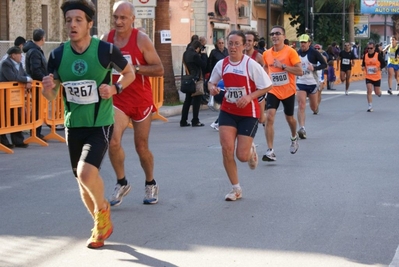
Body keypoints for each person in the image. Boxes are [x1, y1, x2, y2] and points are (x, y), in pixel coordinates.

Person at [41, 0, 135, 248]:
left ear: (90, 24)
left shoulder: (105, 50)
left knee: (86, 172)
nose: (72, 24)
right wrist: (47, 90)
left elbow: (130, 72)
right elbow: (52, 95)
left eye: (78, 20)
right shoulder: (59, 55)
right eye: (69, 20)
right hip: (73, 125)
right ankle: (99, 224)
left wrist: (114, 88)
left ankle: (102, 209)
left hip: (100, 123)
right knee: (80, 180)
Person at [102, 0, 164, 206]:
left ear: (132, 19)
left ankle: (150, 182)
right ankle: (122, 182)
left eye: (123, 18)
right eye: (116, 17)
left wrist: (134, 69)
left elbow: (159, 69)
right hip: (117, 99)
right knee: (113, 141)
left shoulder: (141, 39)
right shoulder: (106, 40)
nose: (118, 22)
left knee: (141, 146)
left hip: (140, 100)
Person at [208, 30, 272, 201]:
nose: (233, 47)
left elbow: (267, 86)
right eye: (230, 43)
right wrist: (212, 89)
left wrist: (250, 96)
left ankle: (250, 151)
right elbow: (211, 82)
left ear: (244, 46)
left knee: (242, 156)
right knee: (226, 149)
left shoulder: (250, 65)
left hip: (248, 113)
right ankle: (236, 188)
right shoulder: (222, 64)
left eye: (237, 44)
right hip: (228, 111)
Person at [262, 26, 303, 162]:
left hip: (288, 91)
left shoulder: (290, 52)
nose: (274, 36)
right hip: (273, 90)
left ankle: (293, 137)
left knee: (289, 118)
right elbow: (266, 68)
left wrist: (283, 66)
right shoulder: (266, 53)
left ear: (284, 37)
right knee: (270, 117)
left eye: (277, 34)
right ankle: (270, 150)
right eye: (272, 33)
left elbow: (300, 71)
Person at [296, 35, 327, 139]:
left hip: (312, 83)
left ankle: (316, 108)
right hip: (301, 82)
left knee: (313, 107)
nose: (303, 44)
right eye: (301, 42)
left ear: (309, 43)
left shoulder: (314, 53)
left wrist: (314, 67)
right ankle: (302, 128)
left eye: (305, 42)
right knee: (301, 105)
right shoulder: (297, 53)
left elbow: (324, 64)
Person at [0, 46, 32, 149]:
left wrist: (27, 80)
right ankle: (3, 141)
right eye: (19, 54)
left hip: (16, 96)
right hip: (4, 96)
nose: (21, 56)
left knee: (17, 117)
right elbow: (12, 77)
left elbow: (24, 74)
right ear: (13, 55)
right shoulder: (6, 64)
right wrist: (26, 79)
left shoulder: (19, 64)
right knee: (4, 118)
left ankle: (18, 140)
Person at [23, 28, 48, 140]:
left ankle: (37, 131)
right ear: (42, 38)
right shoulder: (34, 52)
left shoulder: (34, 50)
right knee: (37, 108)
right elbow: (36, 70)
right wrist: (45, 78)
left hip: (38, 83)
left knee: (38, 107)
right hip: (37, 84)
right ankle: (35, 132)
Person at [180, 40, 207, 127]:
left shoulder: (185, 53)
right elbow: (203, 65)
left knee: (187, 100)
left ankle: (183, 121)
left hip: (188, 78)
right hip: (196, 79)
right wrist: (203, 55)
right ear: (198, 48)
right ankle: (195, 120)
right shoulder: (195, 55)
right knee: (197, 100)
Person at [244, 30, 266, 124]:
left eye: (250, 40)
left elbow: (266, 68)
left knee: (261, 119)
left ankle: (267, 118)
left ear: (254, 42)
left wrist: (263, 82)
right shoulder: (240, 55)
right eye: (245, 40)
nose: (247, 43)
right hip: (245, 90)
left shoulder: (258, 56)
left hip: (257, 90)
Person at [208, 37, 229, 130]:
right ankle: (218, 122)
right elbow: (209, 64)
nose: (221, 44)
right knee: (225, 104)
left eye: (222, 43)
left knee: (226, 104)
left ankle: (218, 122)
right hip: (217, 79)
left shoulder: (227, 52)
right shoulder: (214, 52)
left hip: (226, 80)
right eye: (219, 43)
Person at [362, 41, 385, 112]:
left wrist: (378, 68)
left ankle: (379, 93)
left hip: (377, 77)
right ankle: (370, 106)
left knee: (377, 92)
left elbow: (384, 64)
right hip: (368, 76)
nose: (369, 49)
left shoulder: (377, 55)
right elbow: (363, 64)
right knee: (369, 90)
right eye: (368, 48)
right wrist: (362, 67)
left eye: (371, 48)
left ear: (374, 48)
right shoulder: (365, 56)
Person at [314, 44, 328, 108]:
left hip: (320, 77)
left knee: (319, 92)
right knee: (314, 92)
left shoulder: (324, 57)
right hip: (313, 76)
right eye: (315, 49)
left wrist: (320, 67)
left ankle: (317, 106)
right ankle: (314, 104)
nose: (317, 50)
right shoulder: (311, 57)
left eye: (318, 49)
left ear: (321, 50)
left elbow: (326, 67)